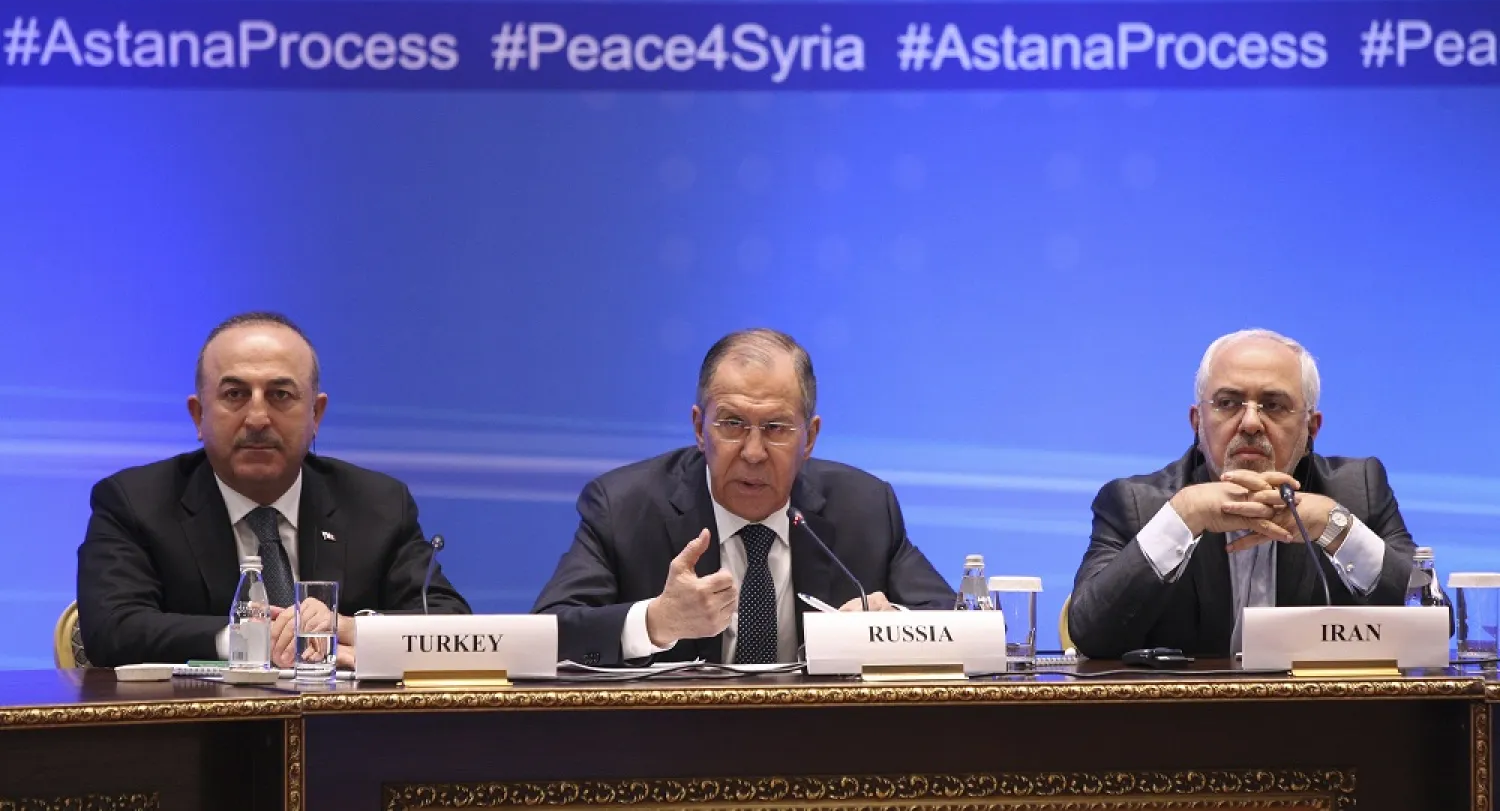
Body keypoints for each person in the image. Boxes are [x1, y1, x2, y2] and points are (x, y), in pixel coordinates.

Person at [533, 329, 953, 666]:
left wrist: (891, 626)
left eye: (776, 427)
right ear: (700, 429)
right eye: (732, 424)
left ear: (810, 439)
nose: (753, 453)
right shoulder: (623, 507)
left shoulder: (864, 508)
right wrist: (656, 622)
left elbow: (963, 625)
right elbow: (548, 633)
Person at [77, 312, 469, 668]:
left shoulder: (378, 503)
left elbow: (449, 623)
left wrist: (349, 628)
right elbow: (114, 629)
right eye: (235, 394)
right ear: (198, 416)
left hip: (345, 734)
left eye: (281, 395)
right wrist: (250, 638)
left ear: (316, 414)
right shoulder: (134, 502)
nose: (258, 417)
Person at [1068, 328, 1416, 659]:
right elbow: (1090, 635)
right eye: (1229, 402)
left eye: (1274, 405)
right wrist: (1185, 516)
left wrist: (1336, 528)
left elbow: (1431, 620)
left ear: (1311, 428)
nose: (1250, 423)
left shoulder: (1358, 491)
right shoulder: (1135, 505)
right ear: (1197, 422)